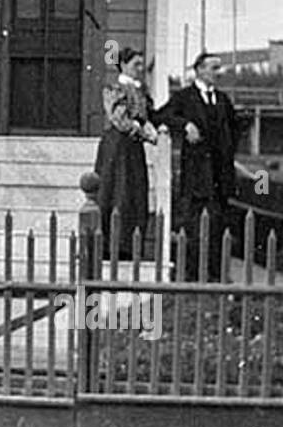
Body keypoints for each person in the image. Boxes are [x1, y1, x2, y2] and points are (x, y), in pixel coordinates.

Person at [154, 51, 239, 280]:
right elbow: (158, 116)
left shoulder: (223, 100)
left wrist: (228, 154)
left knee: (218, 227)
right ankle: (192, 276)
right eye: (213, 68)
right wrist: (185, 125)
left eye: (219, 68)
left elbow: (235, 128)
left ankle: (216, 275)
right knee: (193, 227)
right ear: (199, 70)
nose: (217, 73)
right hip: (196, 175)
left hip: (220, 176)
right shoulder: (184, 97)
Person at [93, 47, 159, 261]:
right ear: (123, 65)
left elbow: (145, 116)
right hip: (117, 146)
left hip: (133, 148)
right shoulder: (114, 87)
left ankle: (128, 246)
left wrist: (151, 128)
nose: (139, 69)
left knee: (134, 192)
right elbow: (119, 119)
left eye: (141, 65)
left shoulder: (140, 90)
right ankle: (108, 245)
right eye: (135, 65)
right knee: (115, 191)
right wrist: (144, 132)